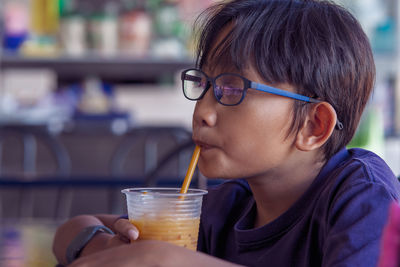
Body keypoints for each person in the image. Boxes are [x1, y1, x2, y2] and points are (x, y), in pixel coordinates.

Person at [53, 0, 400, 266]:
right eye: (204, 84)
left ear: (314, 125)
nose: (202, 112)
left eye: (233, 89)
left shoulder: (361, 196)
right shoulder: (227, 207)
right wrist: (103, 245)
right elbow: (72, 228)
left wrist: (173, 260)